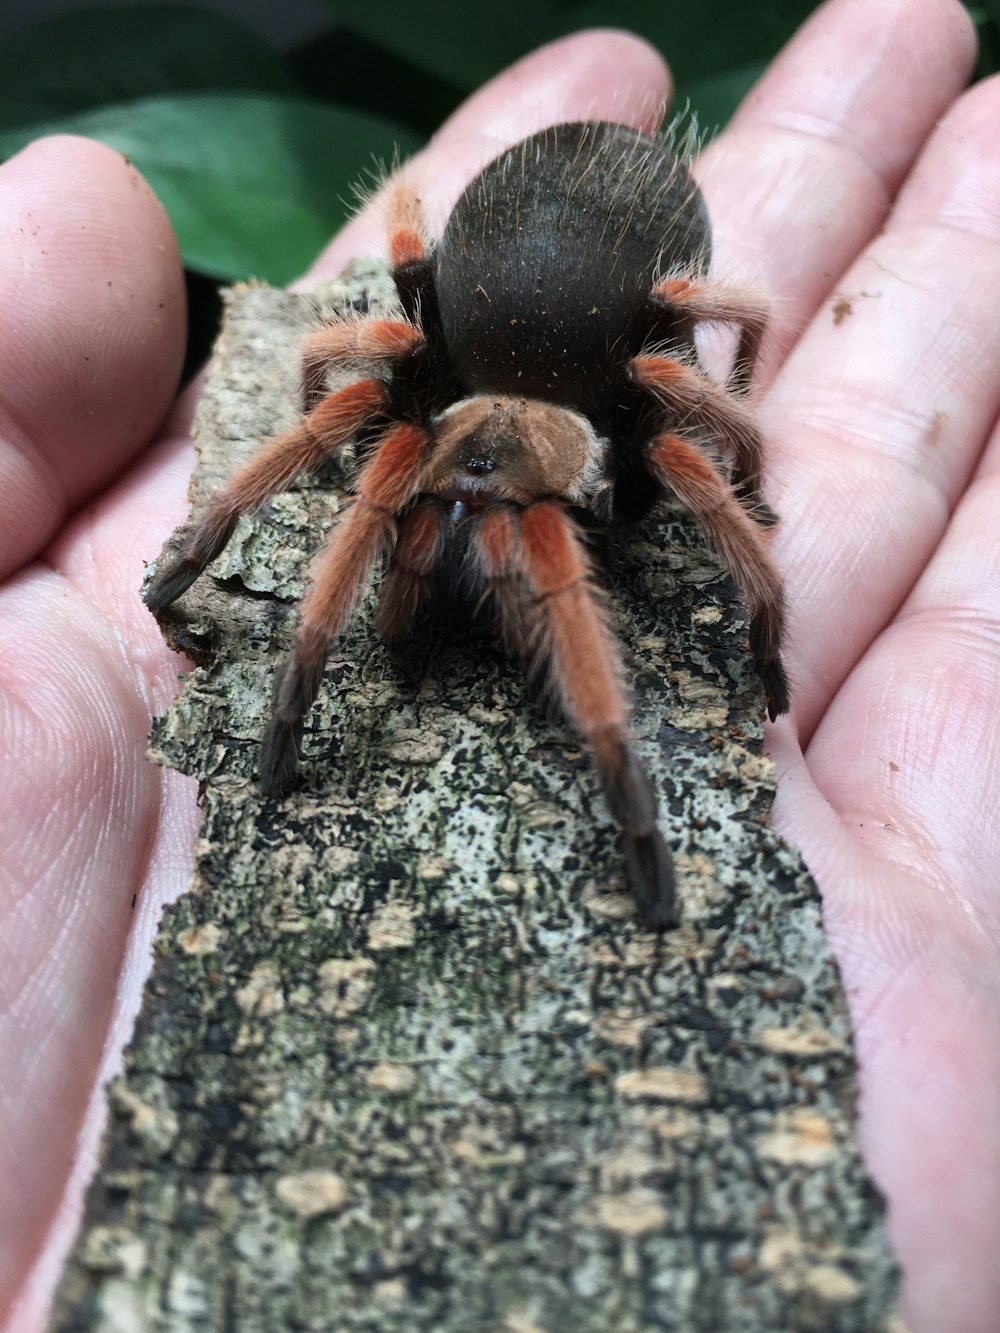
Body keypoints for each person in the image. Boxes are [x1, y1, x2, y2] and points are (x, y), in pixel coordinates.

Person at [1, 2, 996, 1328]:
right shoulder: (414, 399)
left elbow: (716, 415)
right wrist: (253, 597)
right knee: (368, 421)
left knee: (604, 459)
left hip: (579, 320)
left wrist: (747, 516)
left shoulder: (639, 413)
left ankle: (622, 797)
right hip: (502, 317)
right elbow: (339, 345)